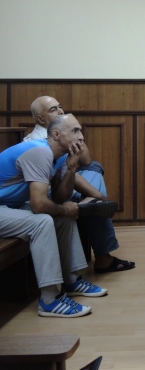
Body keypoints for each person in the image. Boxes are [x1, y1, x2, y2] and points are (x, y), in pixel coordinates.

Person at [0, 114, 108, 317]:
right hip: (3, 207)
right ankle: (49, 300)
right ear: (57, 134)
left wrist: (71, 168)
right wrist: (65, 208)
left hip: (8, 206)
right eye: (75, 131)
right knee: (41, 222)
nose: (81, 136)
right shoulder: (39, 152)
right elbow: (39, 205)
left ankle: (71, 280)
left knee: (63, 216)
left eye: (80, 131)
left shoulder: (59, 156)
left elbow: (59, 197)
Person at [23, 96, 135, 273]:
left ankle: (90, 204)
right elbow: (65, 176)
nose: (60, 111)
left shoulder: (59, 133)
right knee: (95, 185)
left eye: (60, 107)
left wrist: (72, 131)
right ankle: (102, 254)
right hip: (47, 194)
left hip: (60, 182)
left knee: (94, 168)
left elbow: (85, 160)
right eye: (53, 110)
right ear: (40, 119)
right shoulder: (39, 144)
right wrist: (99, 196)